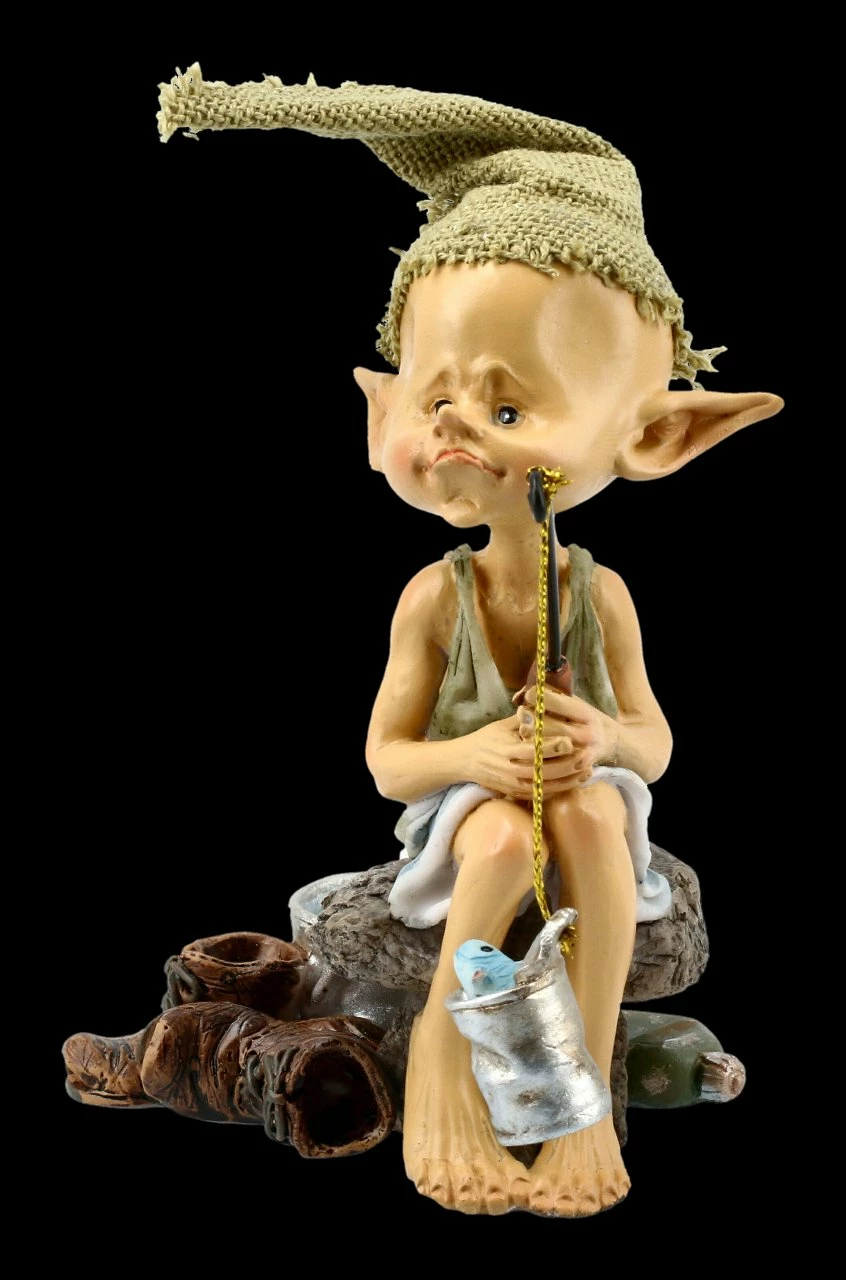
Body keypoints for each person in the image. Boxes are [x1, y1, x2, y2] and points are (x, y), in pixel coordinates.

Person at [153, 70, 784, 1218]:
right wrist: (477, 756)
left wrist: (603, 735)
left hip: (586, 799)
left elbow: (652, 741)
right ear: (384, 414)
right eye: (432, 398)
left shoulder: (599, 593)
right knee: (497, 832)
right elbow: (390, 761)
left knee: (591, 817)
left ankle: (576, 1095)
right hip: (464, 811)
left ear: (657, 435)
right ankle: (445, 1059)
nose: (454, 427)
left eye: (506, 408)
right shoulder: (433, 599)